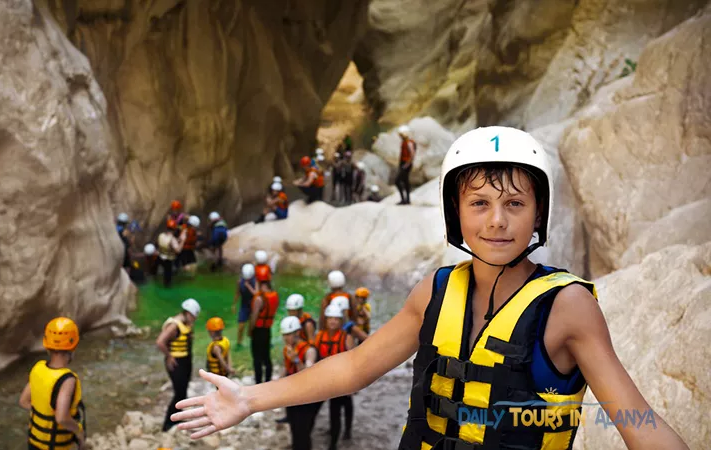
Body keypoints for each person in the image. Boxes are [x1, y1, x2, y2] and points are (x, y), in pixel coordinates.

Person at [169, 126, 691, 450]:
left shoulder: (569, 306)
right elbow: (353, 367)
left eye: (515, 204)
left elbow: (636, 420)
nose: (497, 222)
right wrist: (250, 399)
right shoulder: (435, 292)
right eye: (479, 203)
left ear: (538, 215)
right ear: (455, 214)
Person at [20, 317, 86, 450]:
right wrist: (79, 431)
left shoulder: (38, 368)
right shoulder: (67, 380)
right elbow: (61, 418)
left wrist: (44, 417)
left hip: (34, 443)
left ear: (47, 346)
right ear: (73, 347)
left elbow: (23, 401)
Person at [314, 304, 355, 449]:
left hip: (343, 379)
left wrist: (352, 383)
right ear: (325, 320)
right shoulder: (319, 336)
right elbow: (316, 358)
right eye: (330, 318)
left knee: (345, 404)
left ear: (340, 321)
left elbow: (352, 360)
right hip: (329, 380)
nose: (332, 321)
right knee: (334, 410)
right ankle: (334, 437)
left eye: (336, 319)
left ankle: (345, 432)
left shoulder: (346, 337)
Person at [156, 298, 201, 432]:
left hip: (185, 360)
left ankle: (177, 418)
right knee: (179, 393)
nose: (194, 319)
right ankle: (167, 424)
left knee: (183, 391)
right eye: (193, 316)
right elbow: (160, 342)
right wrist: (169, 356)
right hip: (176, 362)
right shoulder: (174, 325)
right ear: (187, 313)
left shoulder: (186, 323)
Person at [280, 316, 323, 450]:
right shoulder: (288, 348)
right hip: (294, 393)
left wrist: (297, 360)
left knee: (303, 429)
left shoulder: (309, 350)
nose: (286, 338)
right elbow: (285, 368)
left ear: (297, 333)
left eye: (289, 334)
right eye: (284, 335)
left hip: (309, 395)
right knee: (293, 424)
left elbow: (308, 374)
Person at [249, 279, 279, 384]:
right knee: (266, 356)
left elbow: (254, 316)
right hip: (267, 329)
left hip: (258, 330)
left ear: (263, 286)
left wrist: (250, 330)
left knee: (257, 358)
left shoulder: (259, 299)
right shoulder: (274, 296)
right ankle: (268, 380)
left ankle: (258, 382)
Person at [232, 264, 257, 348]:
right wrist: (234, 304)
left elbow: (256, 294)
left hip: (253, 307)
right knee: (241, 326)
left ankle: (252, 343)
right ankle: (239, 343)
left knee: (250, 330)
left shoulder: (256, 282)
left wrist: (248, 286)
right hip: (244, 306)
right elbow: (237, 293)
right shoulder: (240, 282)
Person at [156, 219, 183, 287]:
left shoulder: (161, 235)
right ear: (174, 229)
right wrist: (182, 241)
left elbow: (158, 244)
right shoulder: (172, 239)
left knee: (164, 274)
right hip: (168, 259)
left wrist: (177, 240)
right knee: (167, 279)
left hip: (160, 257)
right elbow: (178, 250)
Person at [395, 124, 416, 205]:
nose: (400, 136)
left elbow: (412, 155)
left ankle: (404, 199)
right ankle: (406, 200)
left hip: (406, 164)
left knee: (398, 181)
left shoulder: (408, 143)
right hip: (404, 164)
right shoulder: (405, 142)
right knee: (405, 181)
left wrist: (406, 165)